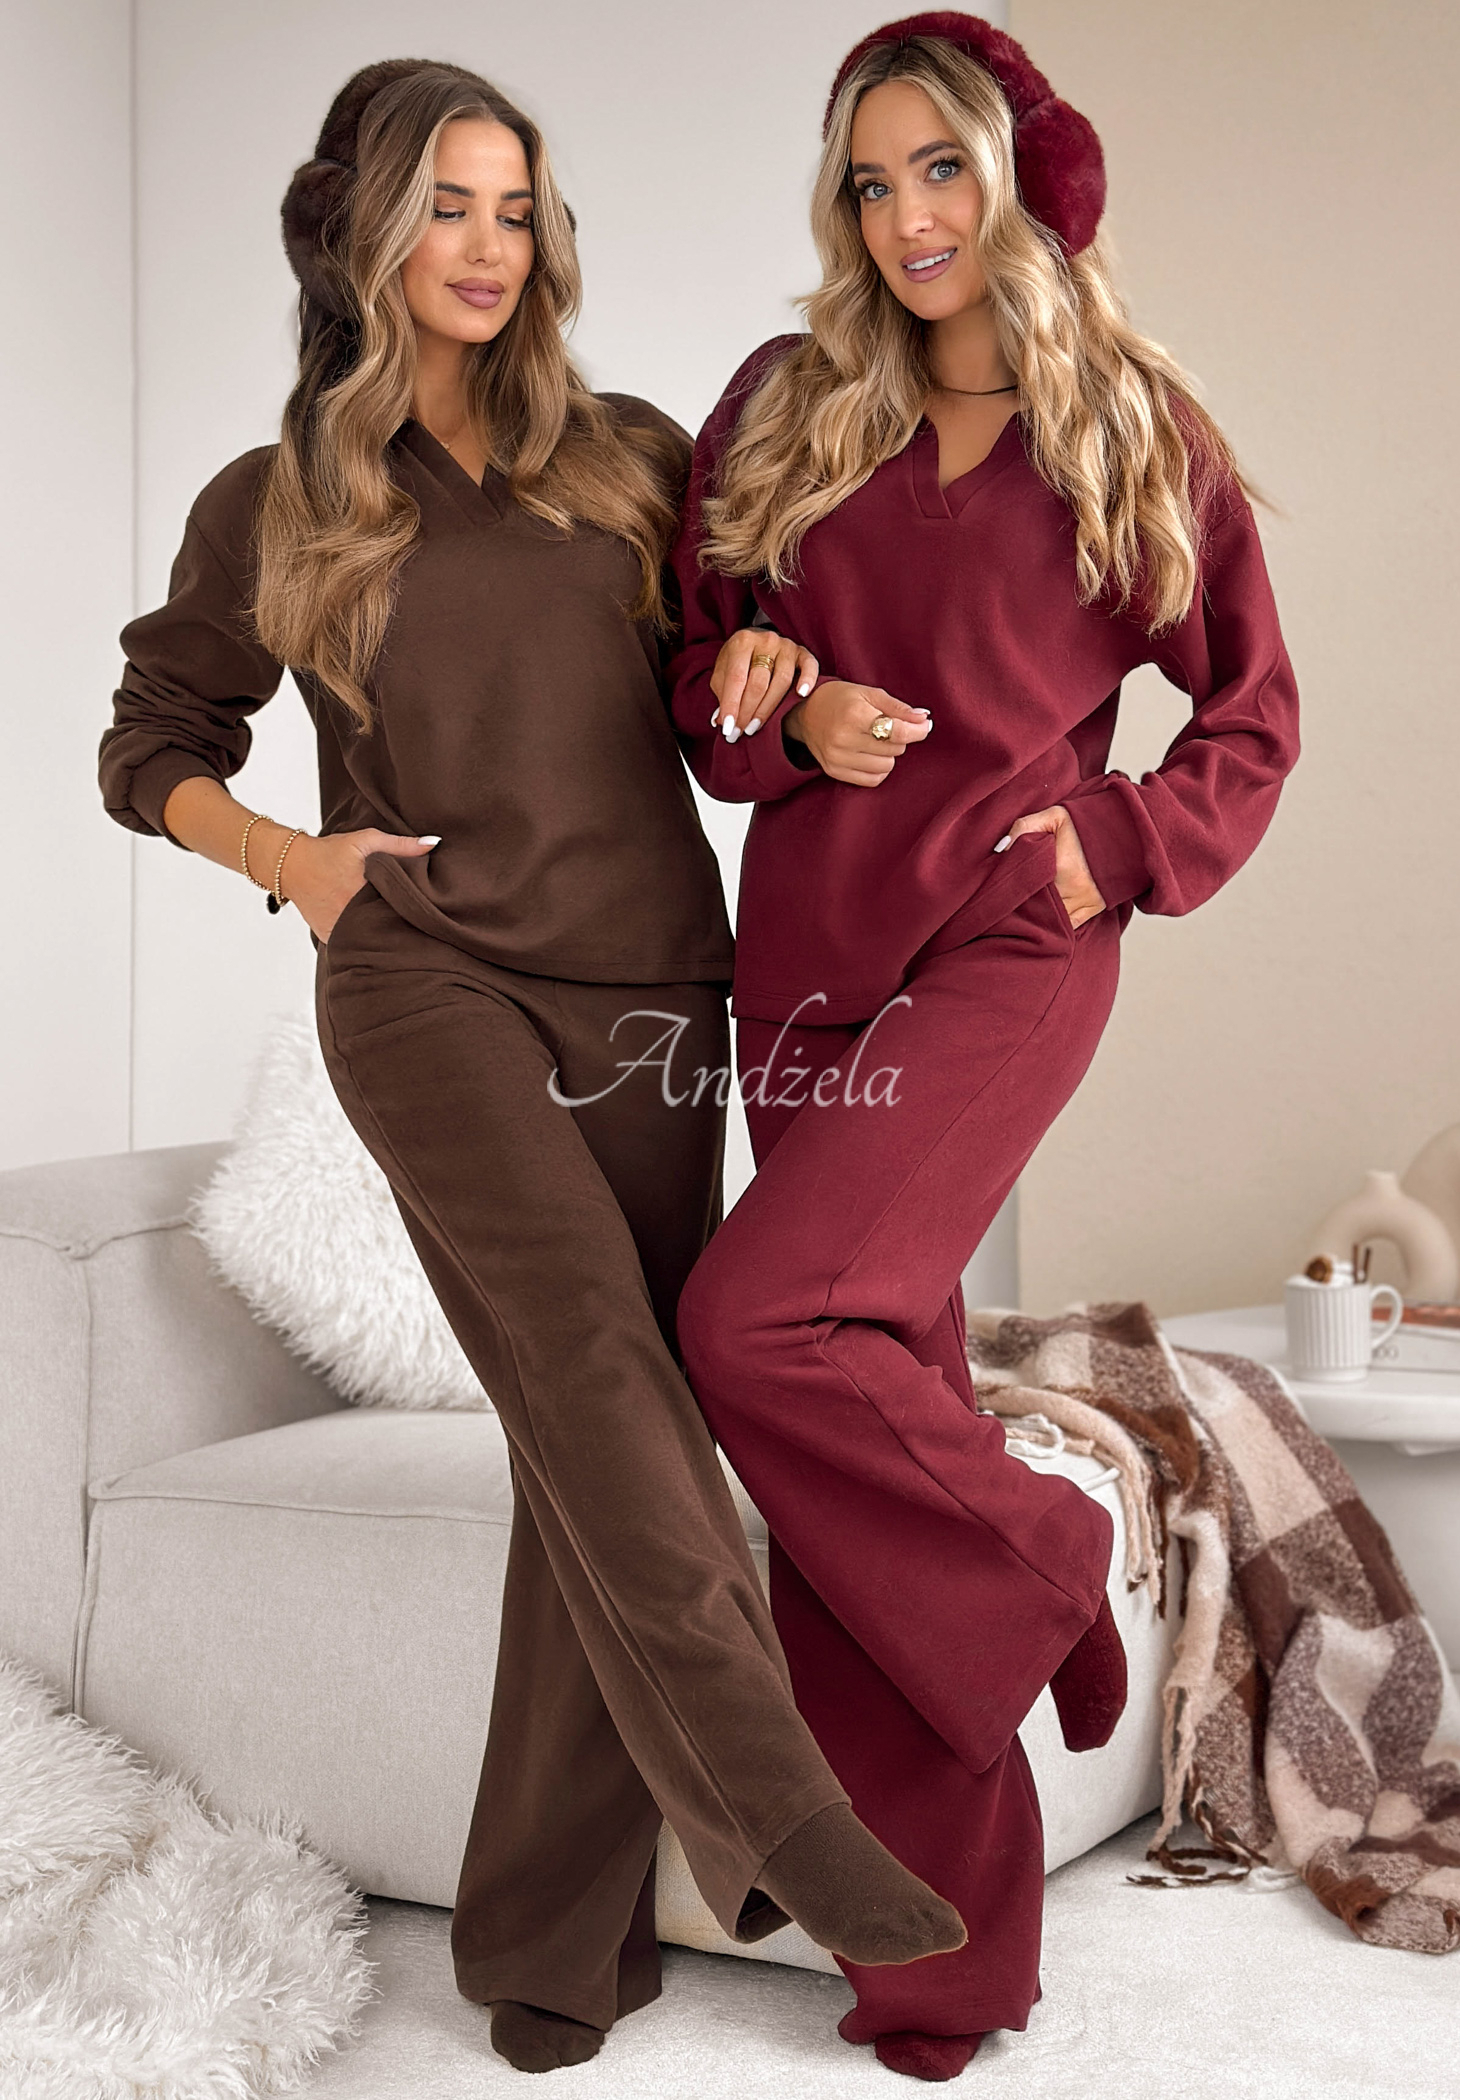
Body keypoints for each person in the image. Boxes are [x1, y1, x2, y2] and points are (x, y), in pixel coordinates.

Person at [98, 56, 968, 2078]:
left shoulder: (636, 459)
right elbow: (149, 745)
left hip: (652, 991)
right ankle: (784, 1813)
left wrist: (777, 687)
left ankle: (551, 1949)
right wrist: (295, 861)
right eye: (446, 207)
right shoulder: (279, 499)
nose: (486, 247)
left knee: (602, 1440)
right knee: (590, 1368)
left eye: (514, 208)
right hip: (426, 985)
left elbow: (718, 707)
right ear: (365, 232)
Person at [670, 13, 1300, 2082]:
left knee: (758, 1325)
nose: (907, 217)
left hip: (1008, 947)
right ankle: (939, 1963)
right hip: (803, 965)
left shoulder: (1128, 423)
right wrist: (784, 714)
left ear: (1021, 177)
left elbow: (1250, 715)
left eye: (938, 167)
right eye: (870, 182)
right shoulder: (784, 404)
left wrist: (1120, 841)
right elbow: (700, 682)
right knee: (864, 1416)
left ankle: (1045, 1559)